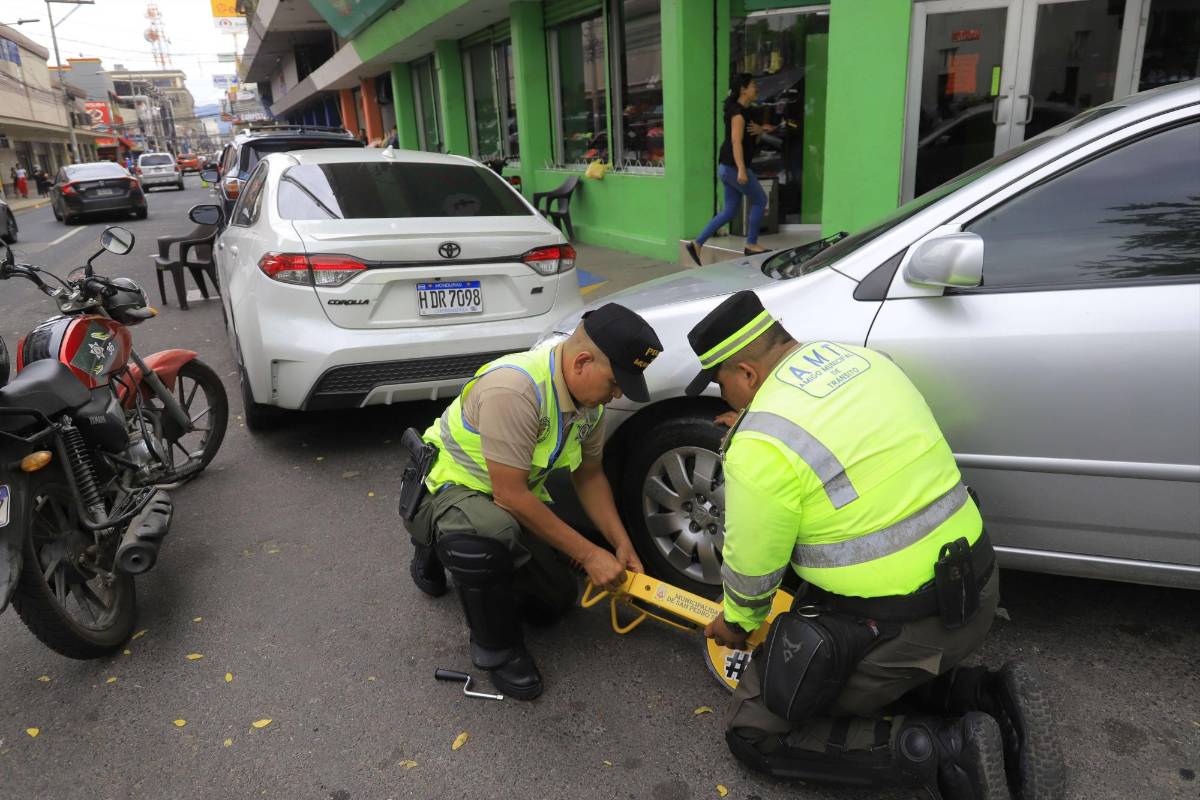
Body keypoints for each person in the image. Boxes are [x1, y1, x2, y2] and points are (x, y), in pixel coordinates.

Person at [686, 291, 1063, 800]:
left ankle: (946, 753)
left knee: (756, 731)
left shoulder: (762, 444)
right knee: (867, 658)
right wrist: (757, 430)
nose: (724, 396)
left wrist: (735, 624)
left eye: (721, 382)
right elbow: (836, 442)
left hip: (907, 633)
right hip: (978, 586)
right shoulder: (864, 363)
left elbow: (753, 574)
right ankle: (986, 696)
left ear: (747, 374)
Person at [404, 304, 663, 700]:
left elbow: (589, 475)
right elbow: (510, 495)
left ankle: (465, 556)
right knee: (485, 536)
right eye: (615, 382)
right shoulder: (516, 389)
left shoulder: (588, 405)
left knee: (555, 604)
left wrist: (619, 542)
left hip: (506, 497)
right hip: (450, 489)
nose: (619, 394)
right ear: (581, 362)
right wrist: (591, 556)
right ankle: (496, 649)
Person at [685, 74, 776, 266]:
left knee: (729, 211)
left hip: (727, 167)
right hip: (734, 167)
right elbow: (736, 142)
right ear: (743, 89)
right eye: (753, 85)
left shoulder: (746, 111)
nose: (756, 88)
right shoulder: (738, 114)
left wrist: (760, 131)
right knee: (760, 199)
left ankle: (697, 243)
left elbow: (750, 138)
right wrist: (742, 169)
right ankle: (751, 243)